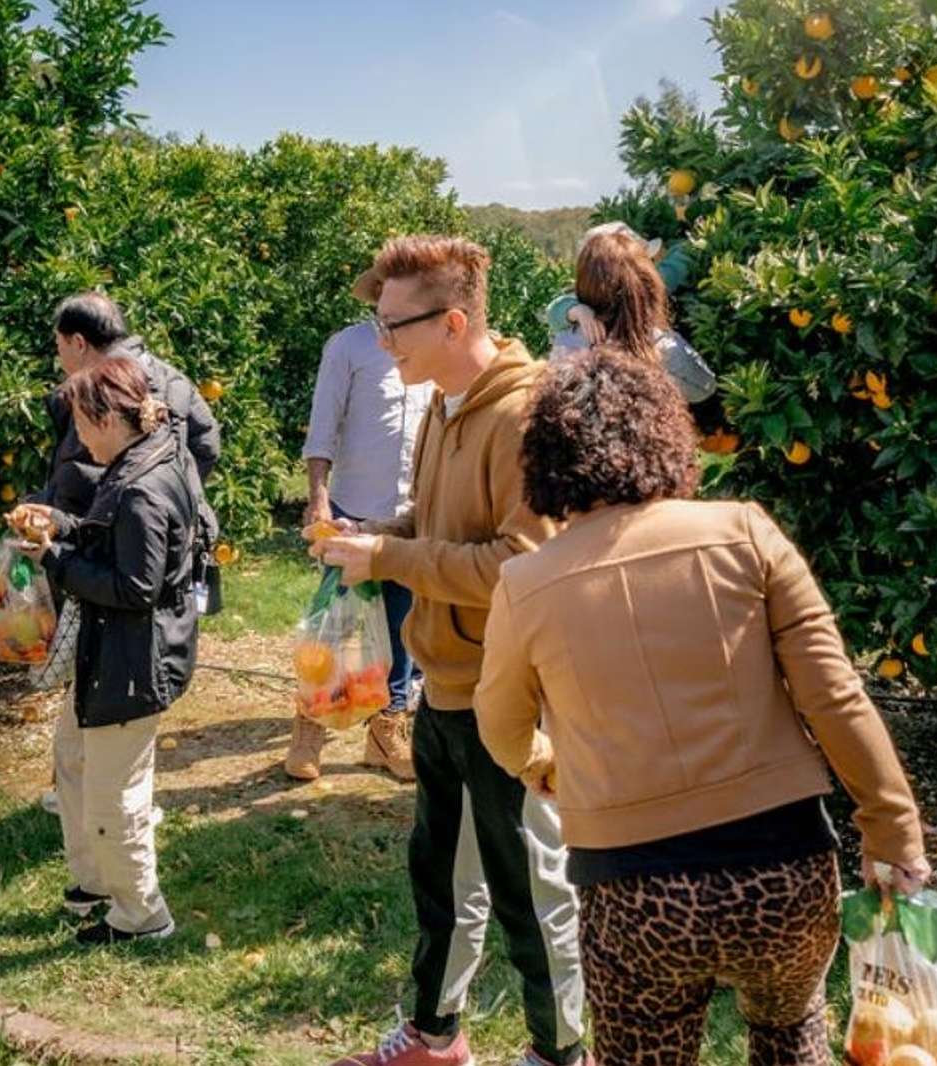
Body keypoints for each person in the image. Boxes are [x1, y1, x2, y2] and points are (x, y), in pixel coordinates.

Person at [475, 351, 929, 1066]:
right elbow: (833, 695)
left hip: (634, 894)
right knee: (790, 1031)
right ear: (667, 435)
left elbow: (499, 725)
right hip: (785, 873)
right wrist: (892, 828)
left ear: (547, 463)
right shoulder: (746, 532)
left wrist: (545, 764)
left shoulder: (524, 584)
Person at [311, 236, 588, 1066]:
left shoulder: (525, 414)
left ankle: (562, 1052)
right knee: (440, 878)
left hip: (511, 700)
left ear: (454, 320)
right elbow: (442, 531)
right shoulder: (443, 401)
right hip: (444, 685)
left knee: (531, 894)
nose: (382, 341)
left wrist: (392, 558)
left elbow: (525, 564)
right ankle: (436, 1037)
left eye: (395, 325)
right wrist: (378, 536)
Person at [7, 356, 203, 945]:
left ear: (105, 418)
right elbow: (110, 530)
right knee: (73, 756)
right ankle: (96, 880)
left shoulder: (143, 485)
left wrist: (54, 559)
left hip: (131, 661)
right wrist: (63, 525)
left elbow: (134, 587)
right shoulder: (136, 459)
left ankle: (141, 914)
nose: (77, 438)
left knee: (116, 791)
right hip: (112, 654)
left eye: (81, 425)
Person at [25, 293, 220, 813]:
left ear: (78, 341)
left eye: (59, 345)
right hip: (135, 546)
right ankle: (108, 784)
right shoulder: (172, 377)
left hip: (104, 552)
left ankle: (106, 792)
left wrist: (121, 510)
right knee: (124, 675)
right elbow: (208, 443)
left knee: (106, 664)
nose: (59, 358)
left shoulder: (97, 394)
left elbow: (80, 468)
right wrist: (175, 500)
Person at [291, 294, 434, 782]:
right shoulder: (350, 346)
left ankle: (384, 730)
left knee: (401, 626)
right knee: (335, 624)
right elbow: (323, 428)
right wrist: (318, 497)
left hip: (409, 516)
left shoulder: (430, 350)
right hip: (352, 513)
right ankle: (310, 725)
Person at [544, 223, 716, 405]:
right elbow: (704, 387)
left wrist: (576, 311)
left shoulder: (569, 336)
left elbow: (554, 310)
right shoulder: (657, 342)